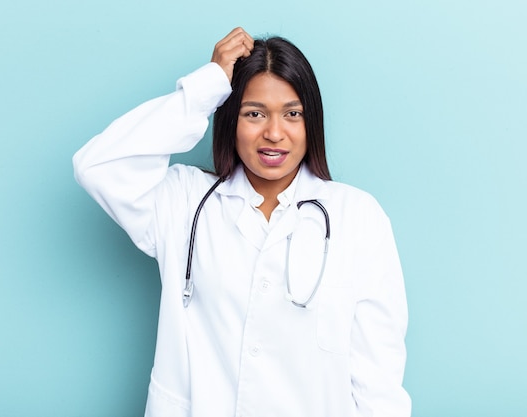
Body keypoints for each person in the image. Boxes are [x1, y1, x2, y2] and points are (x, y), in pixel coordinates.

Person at [73, 27, 411, 417]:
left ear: (310, 123)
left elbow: (378, 379)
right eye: (254, 113)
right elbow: (96, 166)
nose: (274, 133)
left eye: (292, 114)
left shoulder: (358, 217)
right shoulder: (183, 202)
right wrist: (207, 87)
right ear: (230, 119)